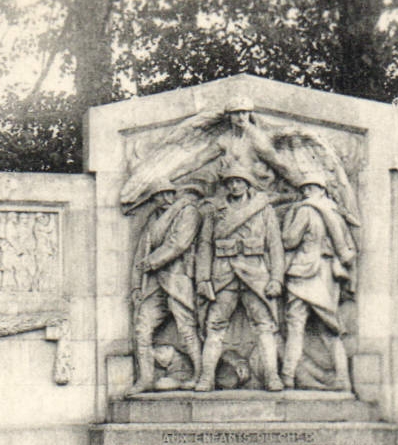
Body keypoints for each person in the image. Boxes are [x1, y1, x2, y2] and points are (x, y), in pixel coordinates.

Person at [194, 163, 286, 392]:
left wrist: (276, 279)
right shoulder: (216, 210)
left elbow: (275, 246)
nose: (235, 186)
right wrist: (203, 279)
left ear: (247, 183)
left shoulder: (263, 209)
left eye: (239, 181)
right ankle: (206, 378)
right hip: (223, 274)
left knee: (264, 326)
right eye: (231, 182)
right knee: (215, 326)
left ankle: (272, 376)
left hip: (255, 274)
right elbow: (204, 245)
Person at [280, 170, 356, 391]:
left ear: (318, 189)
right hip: (328, 275)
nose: (306, 191)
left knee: (295, 326)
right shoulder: (337, 213)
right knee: (330, 329)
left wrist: (286, 222)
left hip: (303, 271)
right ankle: (343, 378)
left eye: (308, 188)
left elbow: (289, 239)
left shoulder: (305, 210)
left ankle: (288, 376)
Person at [131, 178, 206, 391]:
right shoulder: (153, 220)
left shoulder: (187, 212)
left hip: (178, 278)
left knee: (187, 328)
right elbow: (140, 253)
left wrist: (153, 261)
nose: (164, 199)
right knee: (142, 328)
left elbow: (179, 243)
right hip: (155, 284)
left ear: (174, 195)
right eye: (158, 196)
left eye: (167, 194)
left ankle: (200, 374)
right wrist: (136, 286)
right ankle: (145, 378)